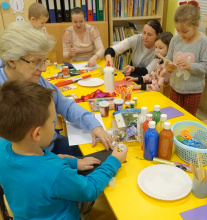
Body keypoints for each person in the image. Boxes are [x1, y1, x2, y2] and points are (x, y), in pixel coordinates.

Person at [0, 80, 128, 219]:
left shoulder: (4, 147)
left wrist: (70, 162)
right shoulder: (55, 172)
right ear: (37, 134)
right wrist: (114, 161)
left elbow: (35, 164)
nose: (53, 125)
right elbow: (89, 190)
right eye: (52, 122)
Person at [0, 21, 113, 157]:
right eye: (36, 62)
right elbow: (8, 158)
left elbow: (64, 105)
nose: (43, 68)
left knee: (99, 156)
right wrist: (52, 161)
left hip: (49, 146)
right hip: (28, 162)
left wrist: (94, 125)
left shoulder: (33, 78)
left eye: (44, 61)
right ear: (12, 61)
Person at [165, 1, 207, 116]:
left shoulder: (203, 42)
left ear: (197, 25)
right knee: (173, 115)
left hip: (193, 91)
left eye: (185, 31)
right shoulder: (175, 40)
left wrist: (190, 66)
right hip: (175, 87)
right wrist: (167, 65)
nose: (181, 34)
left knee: (188, 118)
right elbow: (168, 58)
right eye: (177, 30)